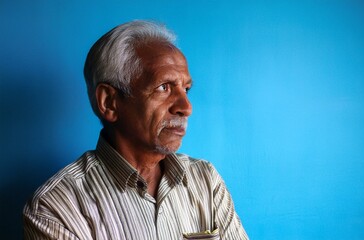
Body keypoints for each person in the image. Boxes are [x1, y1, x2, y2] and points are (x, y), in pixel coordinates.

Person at [23, 20, 248, 240]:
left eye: (186, 89)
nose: (185, 107)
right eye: (164, 87)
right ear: (109, 102)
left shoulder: (205, 181)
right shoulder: (56, 208)